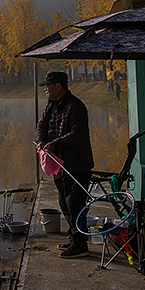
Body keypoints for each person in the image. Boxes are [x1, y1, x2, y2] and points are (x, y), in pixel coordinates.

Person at [35, 70, 95, 258]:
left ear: (58, 86)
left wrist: (56, 143)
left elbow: (78, 133)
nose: (45, 90)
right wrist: (42, 141)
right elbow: (41, 126)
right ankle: (73, 236)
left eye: (48, 86)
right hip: (58, 165)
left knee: (76, 204)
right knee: (64, 203)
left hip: (76, 165)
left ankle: (80, 245)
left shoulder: (75, 106)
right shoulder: (51, 105)